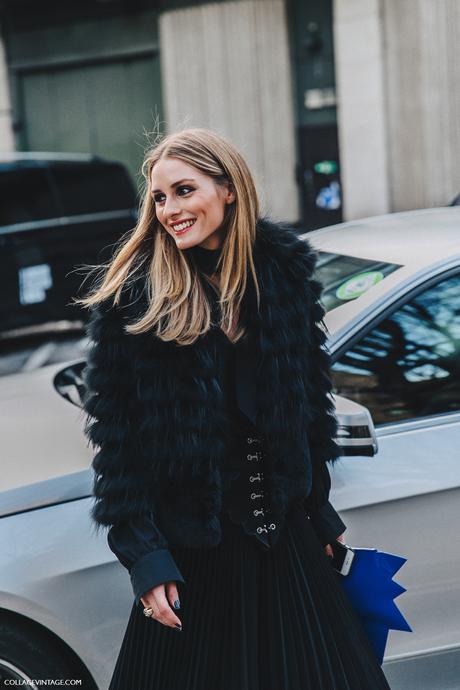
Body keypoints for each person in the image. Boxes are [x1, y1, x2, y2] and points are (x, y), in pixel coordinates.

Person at [78, 128, 391, 689]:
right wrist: (145, 559)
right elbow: (118, 447)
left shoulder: (284, 280)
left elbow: (305, 414)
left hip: (289, 550)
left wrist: (319, 516)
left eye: (183, 190)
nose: (169, 209)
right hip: (196, 556)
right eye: (159, 197)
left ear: (228, 190)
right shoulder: (138, 298)